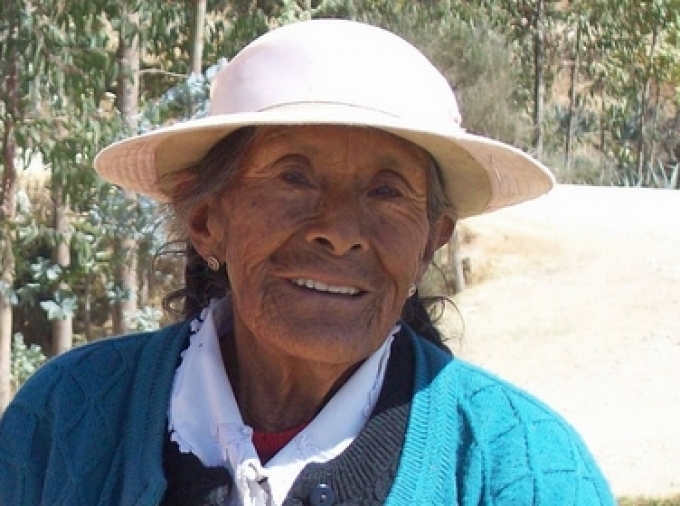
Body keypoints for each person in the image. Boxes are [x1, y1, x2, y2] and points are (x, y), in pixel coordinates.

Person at [0, 19, 614, 506]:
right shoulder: (66, 416)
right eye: (293, 177)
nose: (341, 233)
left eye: (387, 191)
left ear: (432, 241)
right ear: (207, 219)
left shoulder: (519, 466)